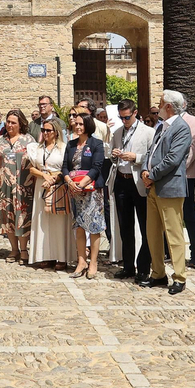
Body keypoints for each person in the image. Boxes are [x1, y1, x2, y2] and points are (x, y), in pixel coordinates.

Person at [142, 90, 192, 295]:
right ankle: (158, 273)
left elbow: (173, 159)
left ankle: (179, 276)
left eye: (161, 103)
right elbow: (151, 152)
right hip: (153, 186)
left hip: (170, 187)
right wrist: (146, 169)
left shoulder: (182, 128)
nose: (158, 106)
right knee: (152, 233)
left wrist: (152, 174)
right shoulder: (161, 126)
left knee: (173, 234)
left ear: (169, 106)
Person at [109, 99, 154, 280]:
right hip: (121, 180)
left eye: (127, 117)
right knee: (125, 227)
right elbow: (112, 155)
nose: (124, 121)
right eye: (121, 118)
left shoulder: (148, 132)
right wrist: (114, 156)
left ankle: (144, 267)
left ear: (135, 113)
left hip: (139, 183)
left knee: (145, 227)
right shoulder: (118, 132)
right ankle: (128, 266)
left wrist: (136, 157)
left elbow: (153, 157)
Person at [63, 106, 109, 278]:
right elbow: (65, 167)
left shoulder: (96, 143)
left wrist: (82, 184)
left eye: (81, 124)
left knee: (94, 226)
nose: (77, 127)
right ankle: (81, 260)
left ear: (88, 125)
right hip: (75, 191)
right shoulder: (71, 144)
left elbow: (97, 167)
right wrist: (69, 181)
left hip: (91, 191)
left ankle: (93, 262)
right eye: (76, 124)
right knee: (79, 226)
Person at [0, 109, 35, 263]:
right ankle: (14, 249)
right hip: (3, 186)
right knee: (7, 217)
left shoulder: (29, 141)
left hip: (23, 186)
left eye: (13, 122)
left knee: (22, 217)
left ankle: (24, 250)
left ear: (20, 124)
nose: (9, 125)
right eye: (8, 122)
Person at [27, 117, 71, 269]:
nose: (45, 133)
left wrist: (52, 179)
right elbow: (32, 168)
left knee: (58, 222)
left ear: (56, 132)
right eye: (43, 130)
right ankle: (45, 255)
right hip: (41, 185)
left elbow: (66, 169)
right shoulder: (37, 149)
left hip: (58, 186)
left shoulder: (64, 148)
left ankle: (61, 256)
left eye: (48, 130)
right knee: (43, 221)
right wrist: (43, 176)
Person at [181, 106, 195, 269]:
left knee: (189, 214)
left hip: (186, 175)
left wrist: (178, 170)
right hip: (166, 177)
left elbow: (193, 148)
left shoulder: (194, 121)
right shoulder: (165, 122)